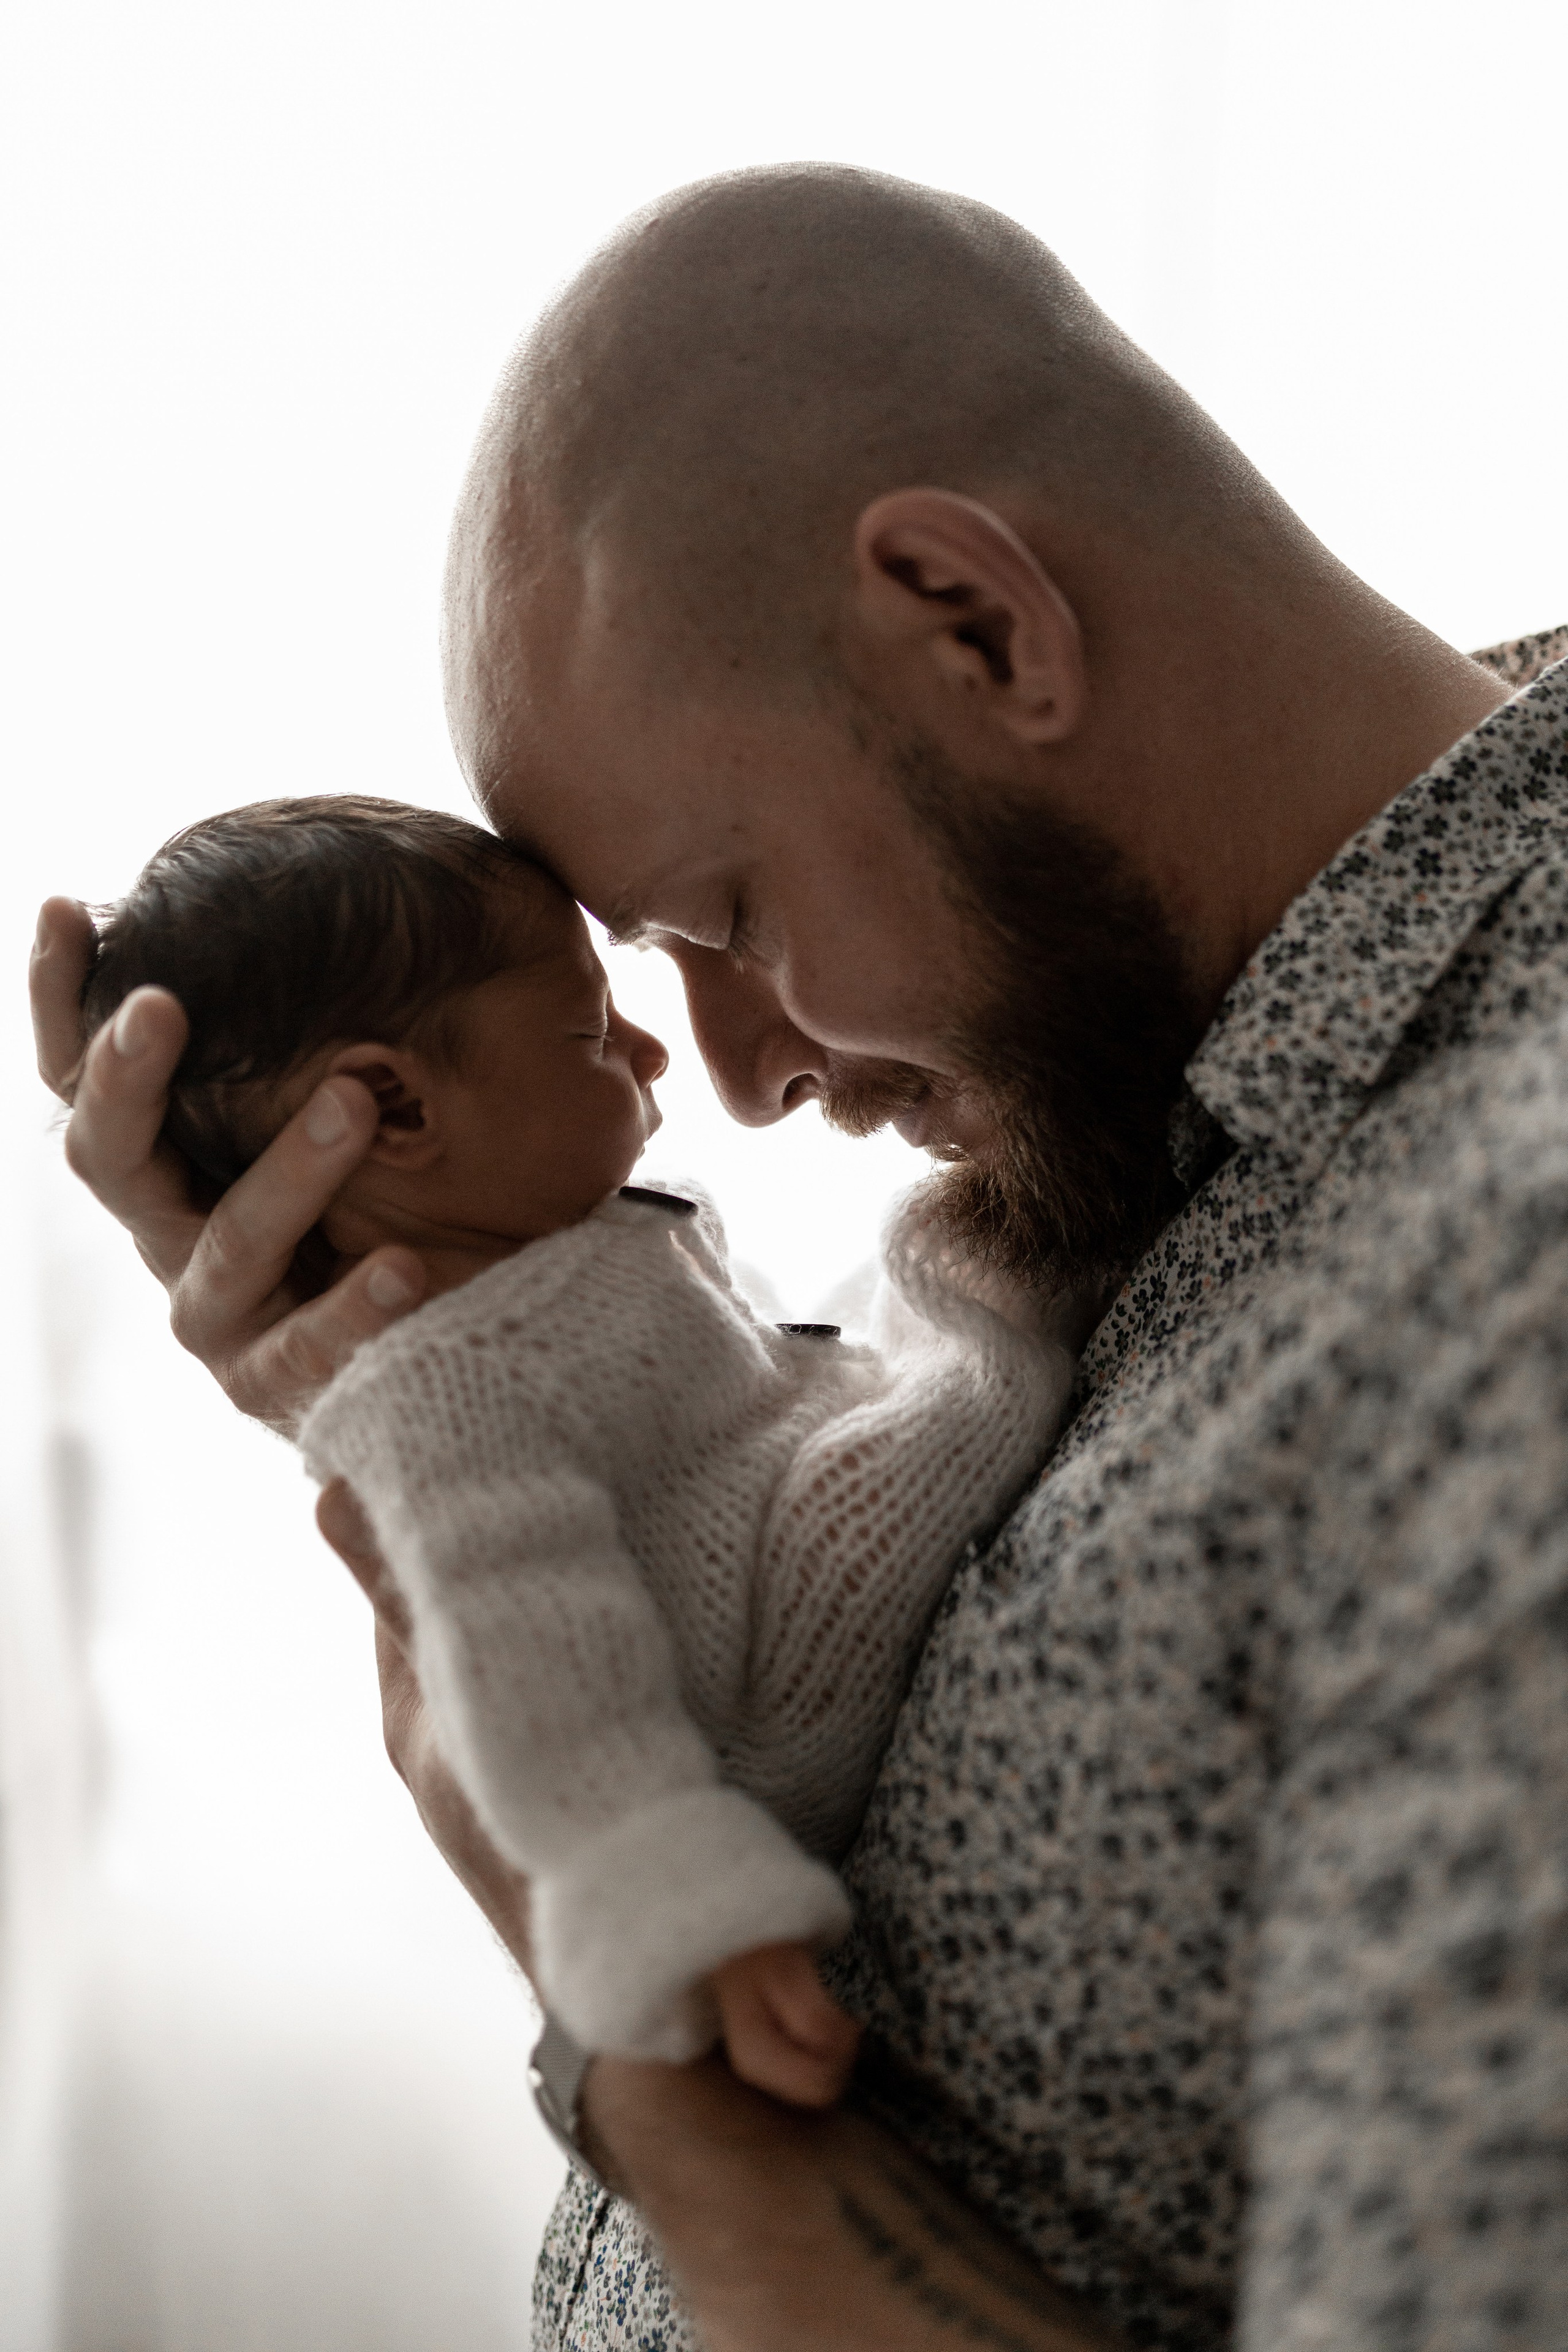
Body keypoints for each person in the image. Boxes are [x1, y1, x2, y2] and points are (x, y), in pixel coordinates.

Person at [32, 159, 1568, 2351]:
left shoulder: (1519, 1251)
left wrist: (653, 2068)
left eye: (730, 921)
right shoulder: (1171, 1060)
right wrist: (413, 1326)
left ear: (978, 621)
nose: (737, 1080)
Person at [77, 792, 1076, 2106]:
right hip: (759, 1709)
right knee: (968, 1343)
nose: (658, 1053)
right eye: (589, 1028)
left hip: (762, 1542)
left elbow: (737, 1389)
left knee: (895, 1335)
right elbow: (539, 1669)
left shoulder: (547, 1239)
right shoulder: (444, 1384)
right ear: (392, 1107)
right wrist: (691, 1919)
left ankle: (1006, 1283)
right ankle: (1044, 1269)